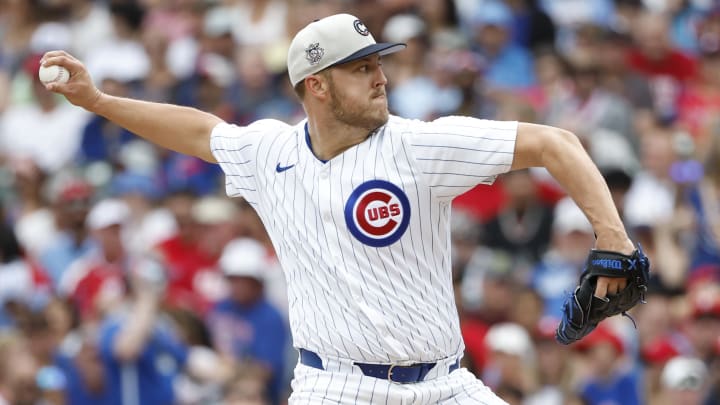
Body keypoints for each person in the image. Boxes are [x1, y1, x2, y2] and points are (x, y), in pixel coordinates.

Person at [42, 13, 636, 404]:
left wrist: (614, 240)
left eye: (378, 62)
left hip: (446, 385)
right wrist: (97, 100)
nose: (380, 77)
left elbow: (555, 143)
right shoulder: (269, 153)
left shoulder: (418, 146)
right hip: (336, 387)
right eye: (361, 67)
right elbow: (199, 131)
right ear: (317, 87)